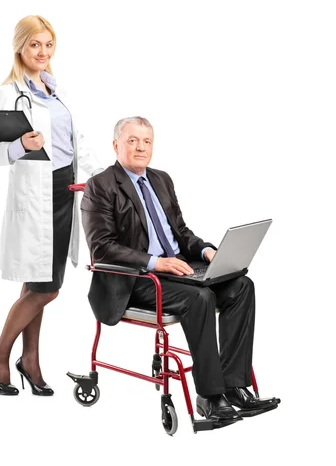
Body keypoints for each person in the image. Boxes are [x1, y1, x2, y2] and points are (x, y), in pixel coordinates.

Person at [80, 116, 280, 427]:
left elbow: (180, 232)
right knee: (199, 297)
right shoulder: (100, 186)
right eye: (132, 141)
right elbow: (102, 247)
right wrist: (154, 262)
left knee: (242, 286)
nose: (140, 148)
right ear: (116, 145)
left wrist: (205, 251)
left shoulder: (161, 179)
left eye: (147, 141)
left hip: (177, 270)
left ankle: (234, 386)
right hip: (134, 279)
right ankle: (210, 398)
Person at [0, 15, 102, 396]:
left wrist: (99, 178)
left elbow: (73, 142)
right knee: (46, 289)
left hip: (66, 191)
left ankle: (30, 361)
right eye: (34, 45)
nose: (42, 52)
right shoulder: (8, 92)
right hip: (36, 199)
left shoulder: (53, 90)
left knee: (37, 282)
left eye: (48, 45)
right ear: (20, 47)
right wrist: (19, 147)